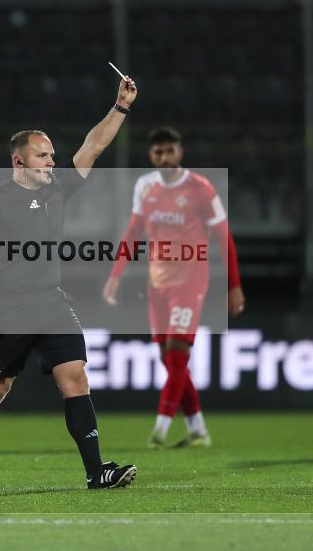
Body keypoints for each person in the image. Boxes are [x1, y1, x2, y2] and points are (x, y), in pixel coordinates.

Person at [0, 76, 138, 490]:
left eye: (52, 154)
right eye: (43, 155)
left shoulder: (57, 188)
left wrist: (121, 106)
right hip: (9, 305)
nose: (52, 162)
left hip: (52, 303)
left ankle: (96, 472)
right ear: (19, 162)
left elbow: (93, 146)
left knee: (76, 377)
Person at [102, 127, 244, 449]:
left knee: (178, 356)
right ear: (150, 155)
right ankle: (198, 429)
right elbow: (133, 232)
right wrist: (115, 275)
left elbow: (224, 239)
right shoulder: (145, 186)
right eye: (158, 152)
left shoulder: (201, 189)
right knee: (168, 359)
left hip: (190, 280)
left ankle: (160, 430)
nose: (164, 158)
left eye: (169, 151)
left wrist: (234, 286)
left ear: (180, 152)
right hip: (158, 284)